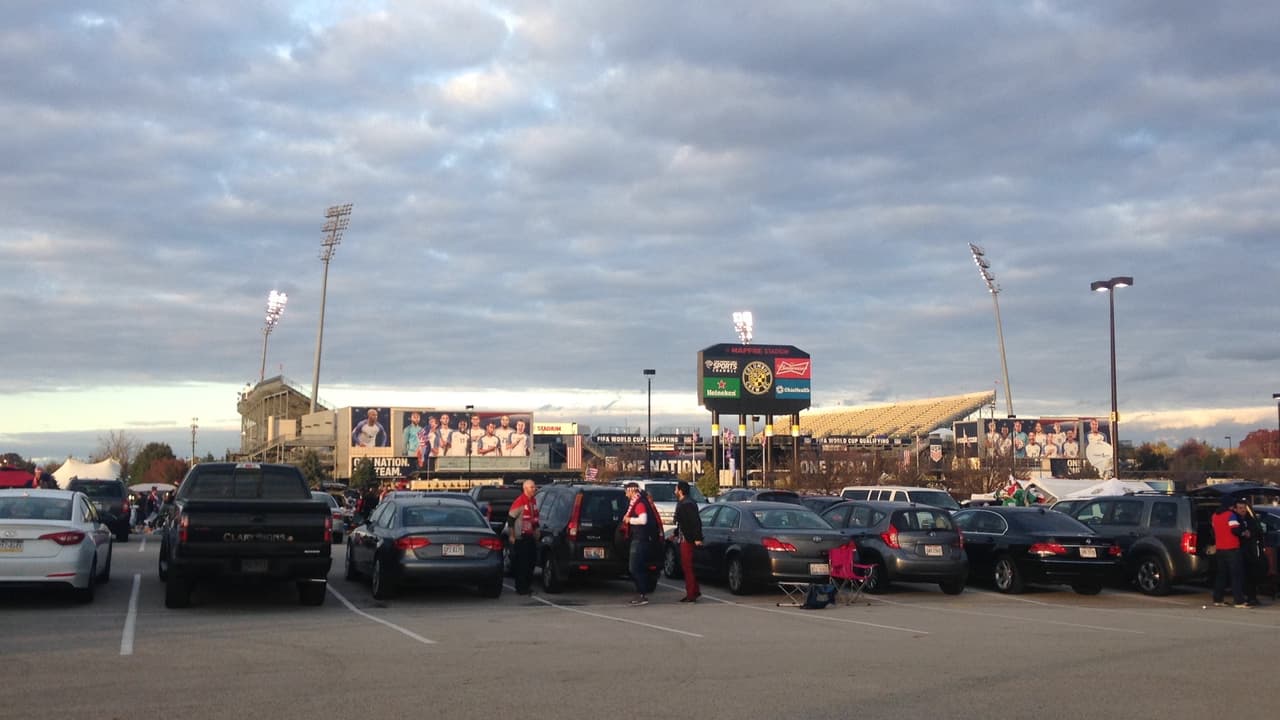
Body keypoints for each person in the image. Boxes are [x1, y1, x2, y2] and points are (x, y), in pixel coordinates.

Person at [622, 482, 660, 606]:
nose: (626, 494)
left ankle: (642, 594)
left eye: (626, 492)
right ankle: (641, 593)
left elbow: (643, 520)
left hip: (640, 539)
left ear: (631, 491)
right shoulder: (638, 502)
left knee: (635, 568)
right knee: (637, 567)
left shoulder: (639, 504)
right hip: (639, 538)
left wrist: (629, 520)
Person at [1211, 496, 1251, 608]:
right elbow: (1235, 530)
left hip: (1220, 549)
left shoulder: (1214, 516)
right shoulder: (1230, 515)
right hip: (1232, 548)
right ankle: (1239, 601)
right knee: (1236, 575)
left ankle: (1218, 599)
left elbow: (1214, 530)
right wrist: (1244, 533)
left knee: (1221, 575)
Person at [507, 480, 539, 595]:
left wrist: (537, 531)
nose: (534, 489)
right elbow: (510, 519)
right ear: (525, 488)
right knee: (522, 564)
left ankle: (527, 586)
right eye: (532, 487)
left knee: (531, 562)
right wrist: (512, 535)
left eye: (534, 487)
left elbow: (535, 518)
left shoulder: (533, 501)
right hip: (521, 538)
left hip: (531, 536)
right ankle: (521, 588)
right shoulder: (520, 501)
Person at [672, 481, 703, 602]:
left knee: (687, 566)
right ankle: (694, 590)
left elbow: (695, 522)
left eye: (676, 489)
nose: (675, 491)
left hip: (688, 539)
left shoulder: (687, 504)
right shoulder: (683, 503)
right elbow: (682, 523)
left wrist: (697, 538)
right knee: (686, 566)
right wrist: (675, 534)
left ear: (680, 491)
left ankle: (691, 593)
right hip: (684, 537)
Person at [1237, 498, 1266, 606]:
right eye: (1240, 508)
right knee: (1241, 575)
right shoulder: (1235, 519)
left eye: (1244, 508)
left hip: (1251, 551)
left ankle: (1252, 597)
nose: (1242, 510)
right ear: (1236, 509)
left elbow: (1259, 532)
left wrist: (1251, 533)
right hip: (1239, 551)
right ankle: (1242, 597)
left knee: (1252, 575)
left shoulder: (1251, 520)